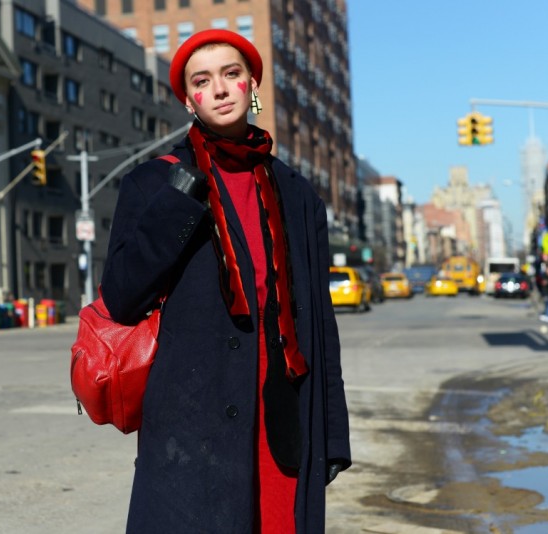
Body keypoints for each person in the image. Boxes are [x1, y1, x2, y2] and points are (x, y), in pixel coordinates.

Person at [100, 29, 350, 533]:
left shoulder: (297, 194)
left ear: (251, 85)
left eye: (231, 75)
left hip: (281, 417)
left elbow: (319, 323)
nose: (218, 88)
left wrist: (331, 432)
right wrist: (178, 199)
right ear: (189, 100)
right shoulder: (154, 182)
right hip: (191, 420)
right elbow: (122, 297)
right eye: (202, 80)